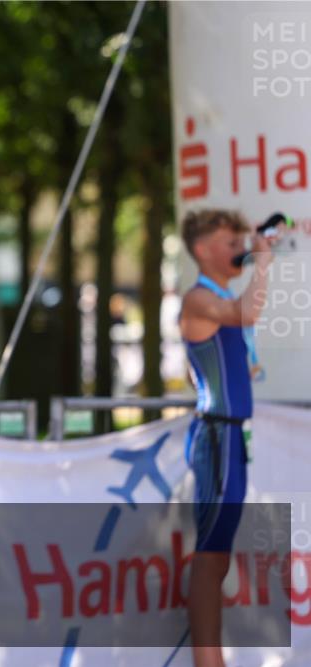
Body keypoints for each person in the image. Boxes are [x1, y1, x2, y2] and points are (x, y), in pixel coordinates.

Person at [178, 209, 276, 667]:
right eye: (227, 242)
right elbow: (247, 311)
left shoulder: (216, 296)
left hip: (231, 438)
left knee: (217, 556)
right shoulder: (198, 299)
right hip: (218, 435)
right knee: (210, 557)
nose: (238, 249)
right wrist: (264, 259)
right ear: (201, 250)